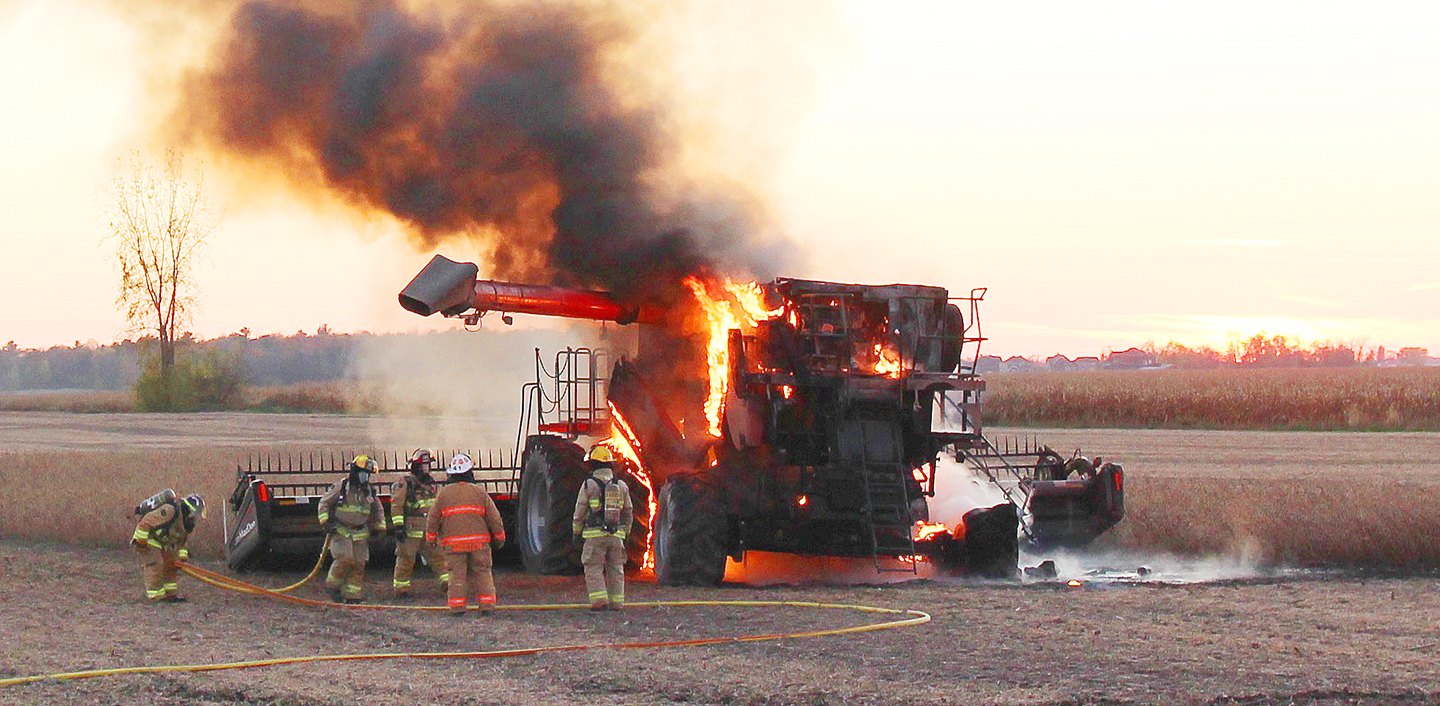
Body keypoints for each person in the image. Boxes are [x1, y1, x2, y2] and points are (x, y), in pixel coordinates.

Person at [425, 453, 506, 615]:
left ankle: (457, 608)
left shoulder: (444, 494)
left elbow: (433, 518)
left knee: (456, 575)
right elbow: (494, 518)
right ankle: (487, 606)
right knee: (483, 572)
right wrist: (499, 538)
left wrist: (431, 539)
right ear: (469, 472)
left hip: (453, 545)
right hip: (479, 544)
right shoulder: (480, 492)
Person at [571, 445, 634, 611]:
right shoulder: (621, 485)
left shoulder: (589, 485)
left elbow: (580, 511)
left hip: (594, 536)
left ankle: (599, 601)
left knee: (593, 566)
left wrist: (576, 533)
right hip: (616, 535)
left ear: (593, 464)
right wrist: (626, 532)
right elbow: (628, 511)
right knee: (616, 569)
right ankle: (617, 603)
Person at [318, 455, 386, 604]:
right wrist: (325, 522)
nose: (365, 477)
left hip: (361, 533)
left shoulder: (369, 491)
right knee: (345, 559)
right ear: (354, 472)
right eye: (363, 473)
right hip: (341, 531)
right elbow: (324, 503)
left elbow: (378, 509)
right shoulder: (341, 487)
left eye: (367, 474)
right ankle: (333, 587)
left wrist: (381, 528)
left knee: (359, 564)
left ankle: (352, 595)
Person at [390, 448, 449, 597]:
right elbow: (397, 505)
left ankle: (448, 584)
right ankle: (401, 590)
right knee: (406, 559)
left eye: (428, 465)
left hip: (428, 528)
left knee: (438, 557)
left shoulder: (430, 484)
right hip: (411, 529)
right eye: (424, 465)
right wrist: (399, 526)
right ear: (416, 466)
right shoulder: (405, 482)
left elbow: (435, 505)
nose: (427, 468)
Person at [130, 490, 205, 602]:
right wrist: (141, 543)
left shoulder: (184, 522)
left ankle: (171, 594)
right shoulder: (169, 510)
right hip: (148, 538)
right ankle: (156, 595)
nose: (193, 519)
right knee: (156, 563)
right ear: (188, 510)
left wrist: (181, 558)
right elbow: (145, 523)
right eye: (193, 515)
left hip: (163, 542)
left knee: (171, 564)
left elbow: (181, 541)